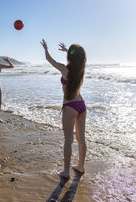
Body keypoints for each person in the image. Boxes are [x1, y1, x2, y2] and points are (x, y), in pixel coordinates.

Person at [41, 39, 87, 180]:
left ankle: (66, 171)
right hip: (82, 105)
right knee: (81, 140)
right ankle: (80, 167)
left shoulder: (64, 69)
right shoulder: (81, 68)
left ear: (71, 57)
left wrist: (45, 48)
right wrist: (69, 51)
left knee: (68, 139)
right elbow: (80, 58)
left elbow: (49, 59)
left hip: (70, 106)